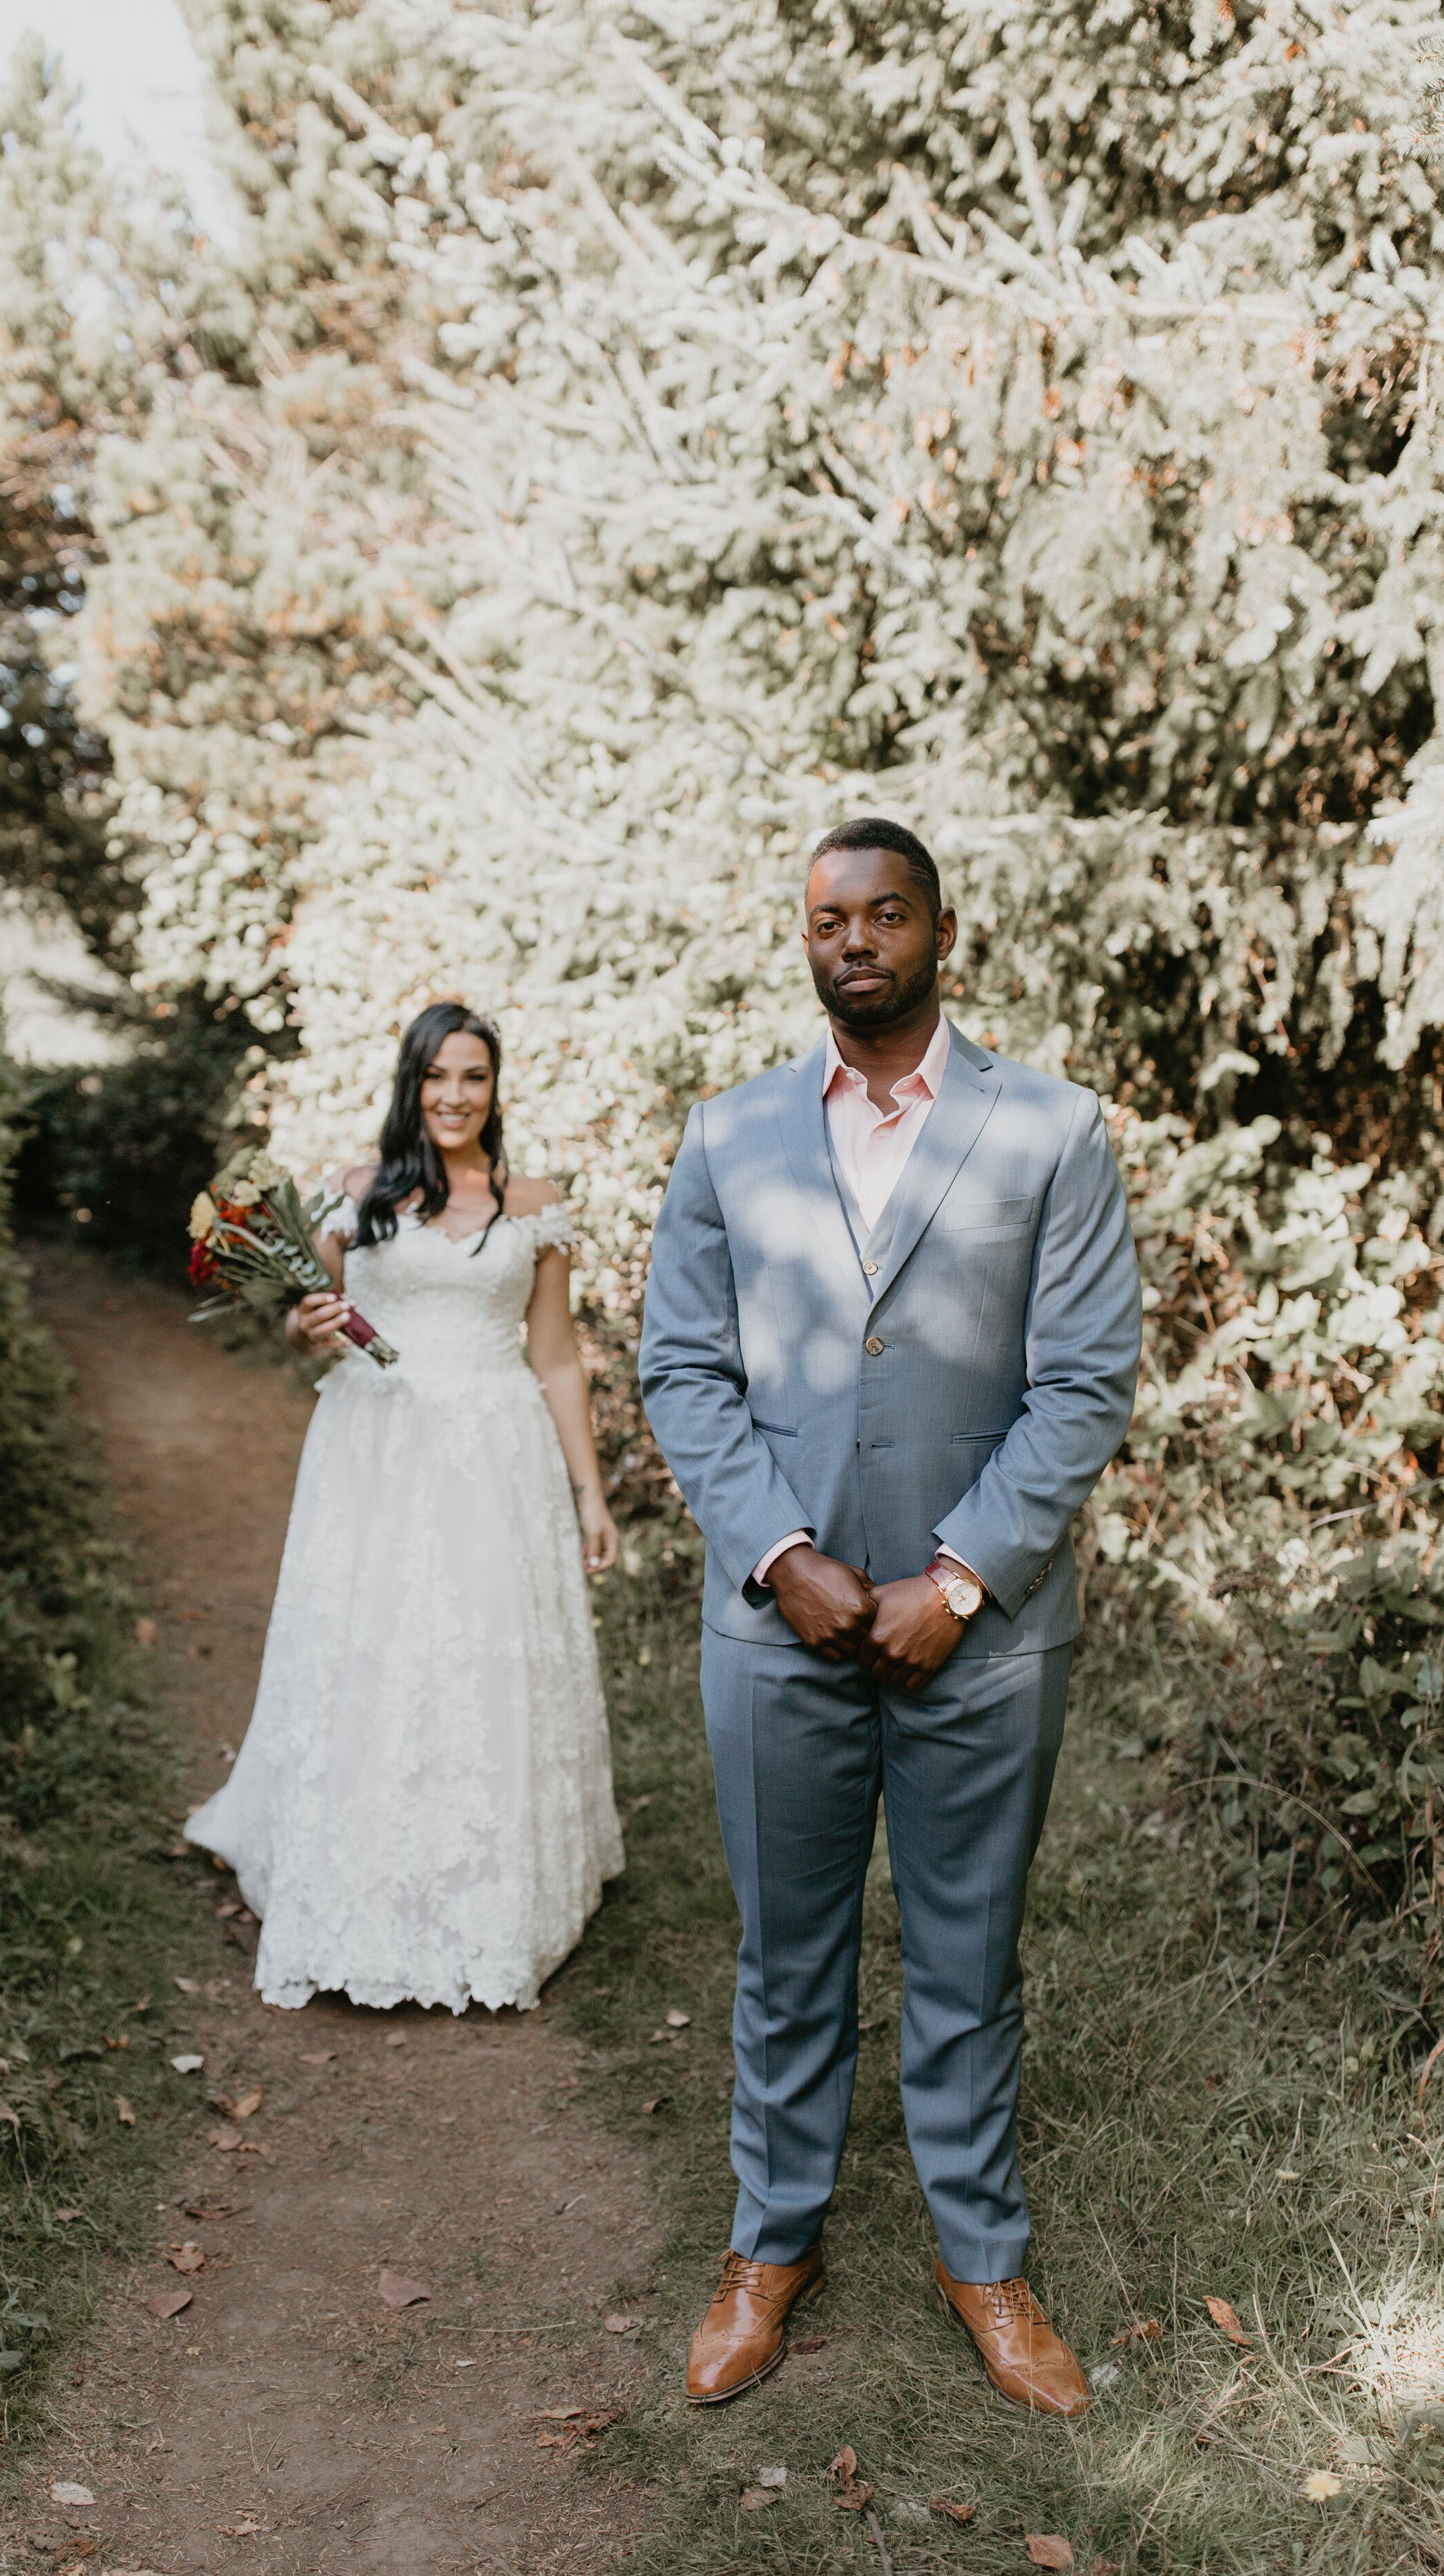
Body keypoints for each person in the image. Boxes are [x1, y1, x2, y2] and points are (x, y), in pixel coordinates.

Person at [638, 819, 1142, 2415]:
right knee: (787, 1958)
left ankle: (980, 2261)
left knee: (965, 1958)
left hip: (978, 1643)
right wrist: (780, 1555)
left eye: (881, 913)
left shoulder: (1050, 1131)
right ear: (803, 942)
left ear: (936, 928)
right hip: (775, 1631)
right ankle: (766, 2250)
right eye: (823, 919)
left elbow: (1080, 1384)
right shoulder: (726, 1135)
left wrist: (961, 1579)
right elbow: (679, 1372)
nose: (850, 939)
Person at [187, 1001, 624, 2014]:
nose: (454, 1096)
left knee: (480, 1653)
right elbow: (316, 1329)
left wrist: (590, 1490)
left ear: (494, 1086)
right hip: (374, 1449)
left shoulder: (533, 1203)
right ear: (411, 1084)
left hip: (495, 1452)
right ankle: (354, 1870)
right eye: (437, 1077)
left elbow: (556, 1356)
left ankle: (488, 1885)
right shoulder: (352, 1197)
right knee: (374, 1648)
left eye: (473, 1077)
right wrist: (306, 1325)